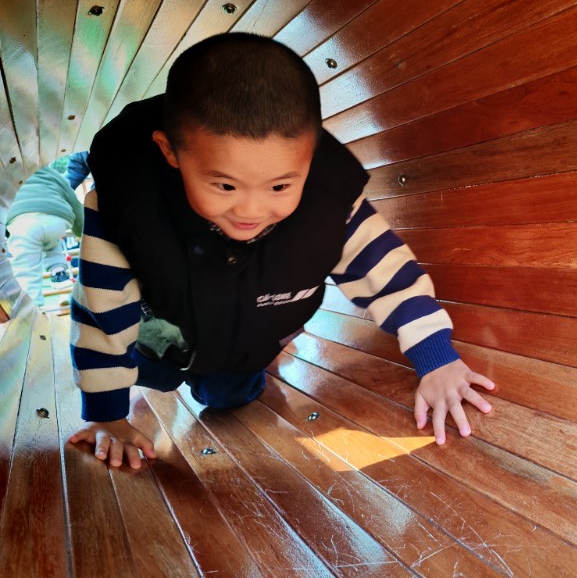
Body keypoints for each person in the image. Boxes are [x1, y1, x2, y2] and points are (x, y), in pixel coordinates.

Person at [69, 32, 495, 470]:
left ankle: (239, 374)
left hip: (248, 341)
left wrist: (436, 359)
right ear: (170, 151)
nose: (251, 211)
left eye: (279, 186)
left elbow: (388, 274)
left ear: (309, 159)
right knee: (151, 374)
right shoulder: (124, 208)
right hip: (160, 332)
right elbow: (100, 315)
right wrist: (108, 416)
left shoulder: (330, 204)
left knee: (229, 398)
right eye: (225, 185)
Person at [6, 165, 84, 307]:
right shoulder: (52, 174)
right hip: (58, 219)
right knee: (51, 243)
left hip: (23, 224)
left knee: (26, 274)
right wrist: (80, 230)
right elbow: (74, 202)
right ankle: (59, 273)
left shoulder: (6, 176)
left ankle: (32, 309)